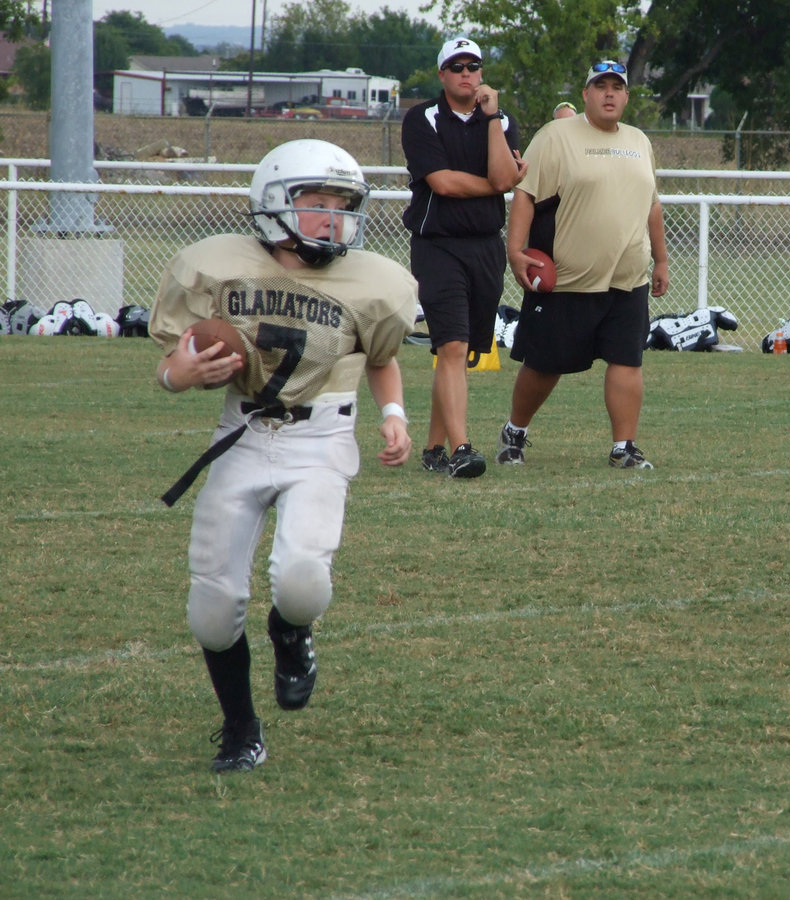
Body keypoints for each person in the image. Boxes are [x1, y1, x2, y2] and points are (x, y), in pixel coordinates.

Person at [149, 139, 418, 772]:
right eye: (316, 202)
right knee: (211, 608)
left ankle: (291, 631)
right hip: (241, 434)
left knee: (301, 580)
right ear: (273, 203)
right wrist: (178, 375)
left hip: (320, 435)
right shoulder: (216, 266)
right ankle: (241, 730)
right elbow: (168, 365)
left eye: (342, 205)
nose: (332, 217)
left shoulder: (370, 281)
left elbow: (380, 358)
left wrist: (395, 417)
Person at [498, 60, 669, 469]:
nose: (609, 93)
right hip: (569, 278)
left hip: (628, 277)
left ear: (627, 96)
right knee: (545, 365)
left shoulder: (639, 141)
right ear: (586, 94)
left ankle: (623, 446)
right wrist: (515, 250)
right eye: (601, 86)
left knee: (627, 360)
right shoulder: (557, 137)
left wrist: (661, 259)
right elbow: (527, 193)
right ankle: (514, 432)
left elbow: (653, 203)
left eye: (617, 87)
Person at [401, 37, 525, 478]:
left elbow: (506, 180)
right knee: (450, 345)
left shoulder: (501, 119)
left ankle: (434, 448)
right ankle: (461, 449)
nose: (467, 74)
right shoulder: (423, 119)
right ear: (442, 75)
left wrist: (492, 121)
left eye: (473, 66)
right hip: (438, 245)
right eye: (457, 67)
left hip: (485, 245)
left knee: (462, 352)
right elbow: (444, 184)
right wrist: (495, 182)